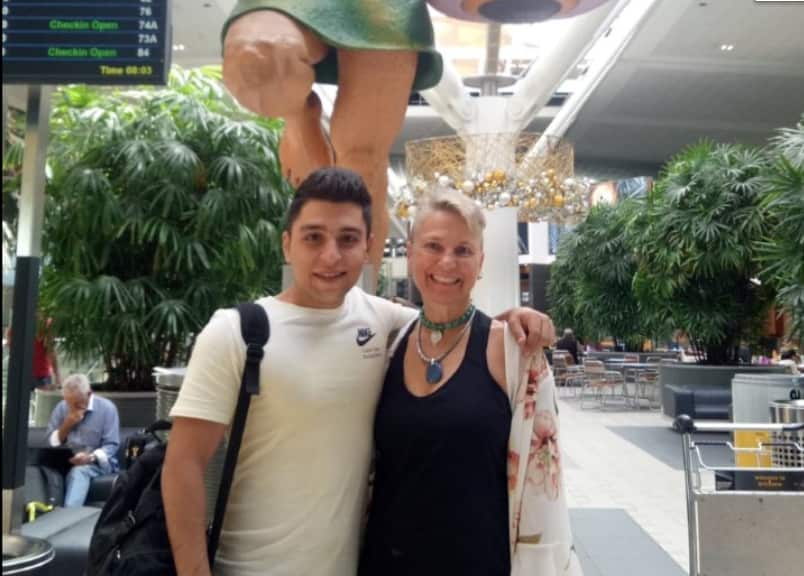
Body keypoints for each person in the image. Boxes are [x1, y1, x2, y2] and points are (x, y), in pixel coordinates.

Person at [161, 167, 554, 576]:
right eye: (314, 237)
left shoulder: (384, 322)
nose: (331, 255)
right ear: (287, 244)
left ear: (367, 248)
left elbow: (450, 316)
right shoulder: (235, 332)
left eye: (347, 239)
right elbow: (184, 464)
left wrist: (517, 319)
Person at [360, 188, 580, 575]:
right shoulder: (386, 342)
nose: (447, 262)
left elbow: (545, 490)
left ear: (480, 262)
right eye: (433, 245)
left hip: (478, 561)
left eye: (463, 250)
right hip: (386, 561)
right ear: (410, 253)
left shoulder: (516, 355)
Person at [45, 373, 120, 507]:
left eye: (78, 404)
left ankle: (68, 517)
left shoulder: (107, 409)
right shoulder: (62, 407)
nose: (72, 408)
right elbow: (51, 442)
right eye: (69, 404)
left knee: (79, 472)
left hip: (98, 463)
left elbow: (112, 445)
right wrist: (67, 424)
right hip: (67, 460)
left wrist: (90, 457)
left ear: (89, 394)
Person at [5, 316, 61, 389]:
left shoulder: (46, 324)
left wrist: (57, 376)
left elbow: (51, 351)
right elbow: (9, 341)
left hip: (40, 376)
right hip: (24, 375)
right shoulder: (19, 322)